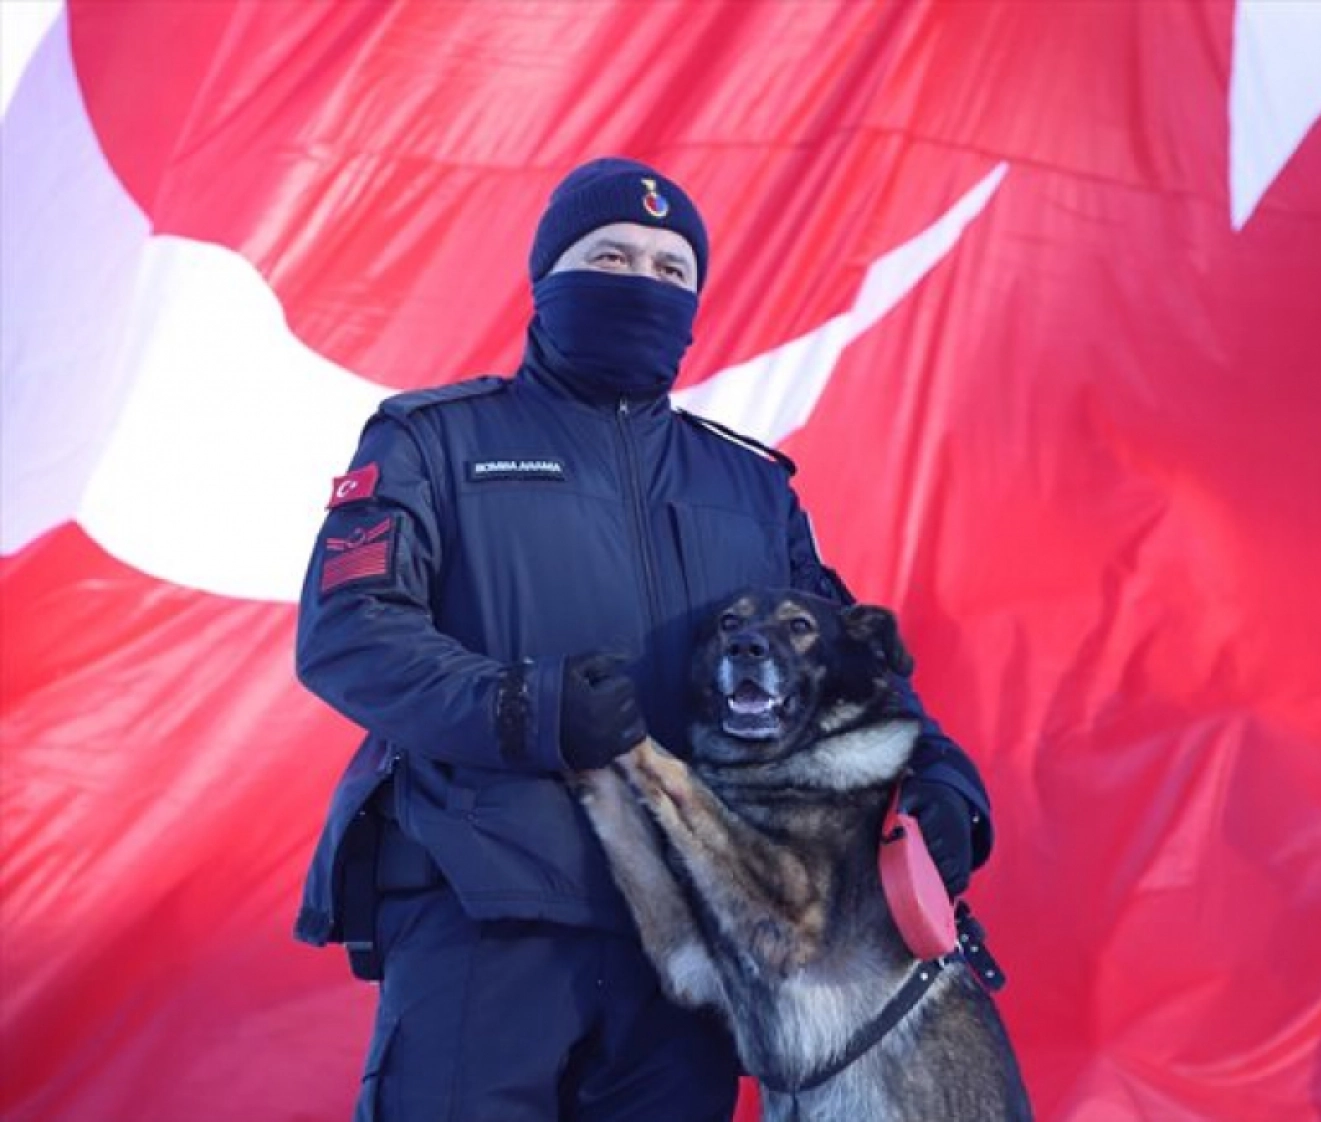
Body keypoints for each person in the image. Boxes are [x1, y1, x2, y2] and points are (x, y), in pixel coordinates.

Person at [291, 156, 995, 1121]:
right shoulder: (431, 441)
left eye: (673, 270)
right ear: (547, 279)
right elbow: (348, 632)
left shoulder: (748, 485)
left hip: (695, 947)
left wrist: (946, 786)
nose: (643, 281)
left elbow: (851, 674)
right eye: (611, 255)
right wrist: (525, 708)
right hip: (487, 917)